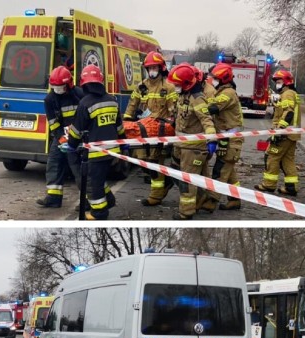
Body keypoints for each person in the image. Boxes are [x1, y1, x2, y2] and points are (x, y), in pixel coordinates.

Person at [61, 64, 129, 220]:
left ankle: (99, 212)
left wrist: (70, 145)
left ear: (84, 83)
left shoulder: (85, 103)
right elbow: (119, 126)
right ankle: (109, 200)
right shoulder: (112, 100)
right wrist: (123, 142)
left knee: (92, 182)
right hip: (113, 151)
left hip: (96, 152)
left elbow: (77, 130)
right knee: (98, 179)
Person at [123, 51, 178, 206]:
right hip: (142, 131)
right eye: (150, 68)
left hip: (159, 131)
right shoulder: (141, 87)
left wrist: (169, 127)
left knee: (155, 162)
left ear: (160, 68)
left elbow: (173, 111)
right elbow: (131, 107)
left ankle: (156, 195)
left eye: (155, 67)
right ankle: (165, 182)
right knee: (142, 162)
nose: (152, 70)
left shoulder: (169, 88)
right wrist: (126, 126)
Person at [166, 63, 219, 220]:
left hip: (193, 148)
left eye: (177, 84)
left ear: (186, 84)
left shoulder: (198, 99)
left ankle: (186, 212)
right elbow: (178, 115)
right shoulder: (183, 95)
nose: (175, 87)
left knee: (186, 181)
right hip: (181, 145)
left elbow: (207, 121)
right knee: (177, 172)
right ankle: (204, 199)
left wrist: (211, 140)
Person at [36, 66, 84, 208]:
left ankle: (87, 199)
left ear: (68, 84)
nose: (57, 90)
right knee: (54, 162)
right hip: (61, 136)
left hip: (78, 136)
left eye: (60, 87)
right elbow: (53, 123)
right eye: (54, 87)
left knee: (77, 167)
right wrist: (61, 139)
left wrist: (75, 139)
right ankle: (54, 197)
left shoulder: (79, 95)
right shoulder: (49, 99)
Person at [255, 69, 300, 196]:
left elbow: (288, 112)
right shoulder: (292, 93)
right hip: (292, 134)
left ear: (286, 82)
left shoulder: (287, 94)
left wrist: (280, 131)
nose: (277, 84)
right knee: (287, 160)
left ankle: (269, 185)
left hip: (284, 134)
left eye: (279, 81)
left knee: (271, 156)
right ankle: (291, 187)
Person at [207, 63, 244, 210]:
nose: (213, 81)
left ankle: (211, 201)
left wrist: (196, 108)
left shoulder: (228, 93)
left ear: (223, 79)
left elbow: (213, 108)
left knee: (220, 170)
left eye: (215, 78)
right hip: (226, 137)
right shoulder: (221, 91)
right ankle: (235, 199)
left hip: (230, 139)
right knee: (229, 172)